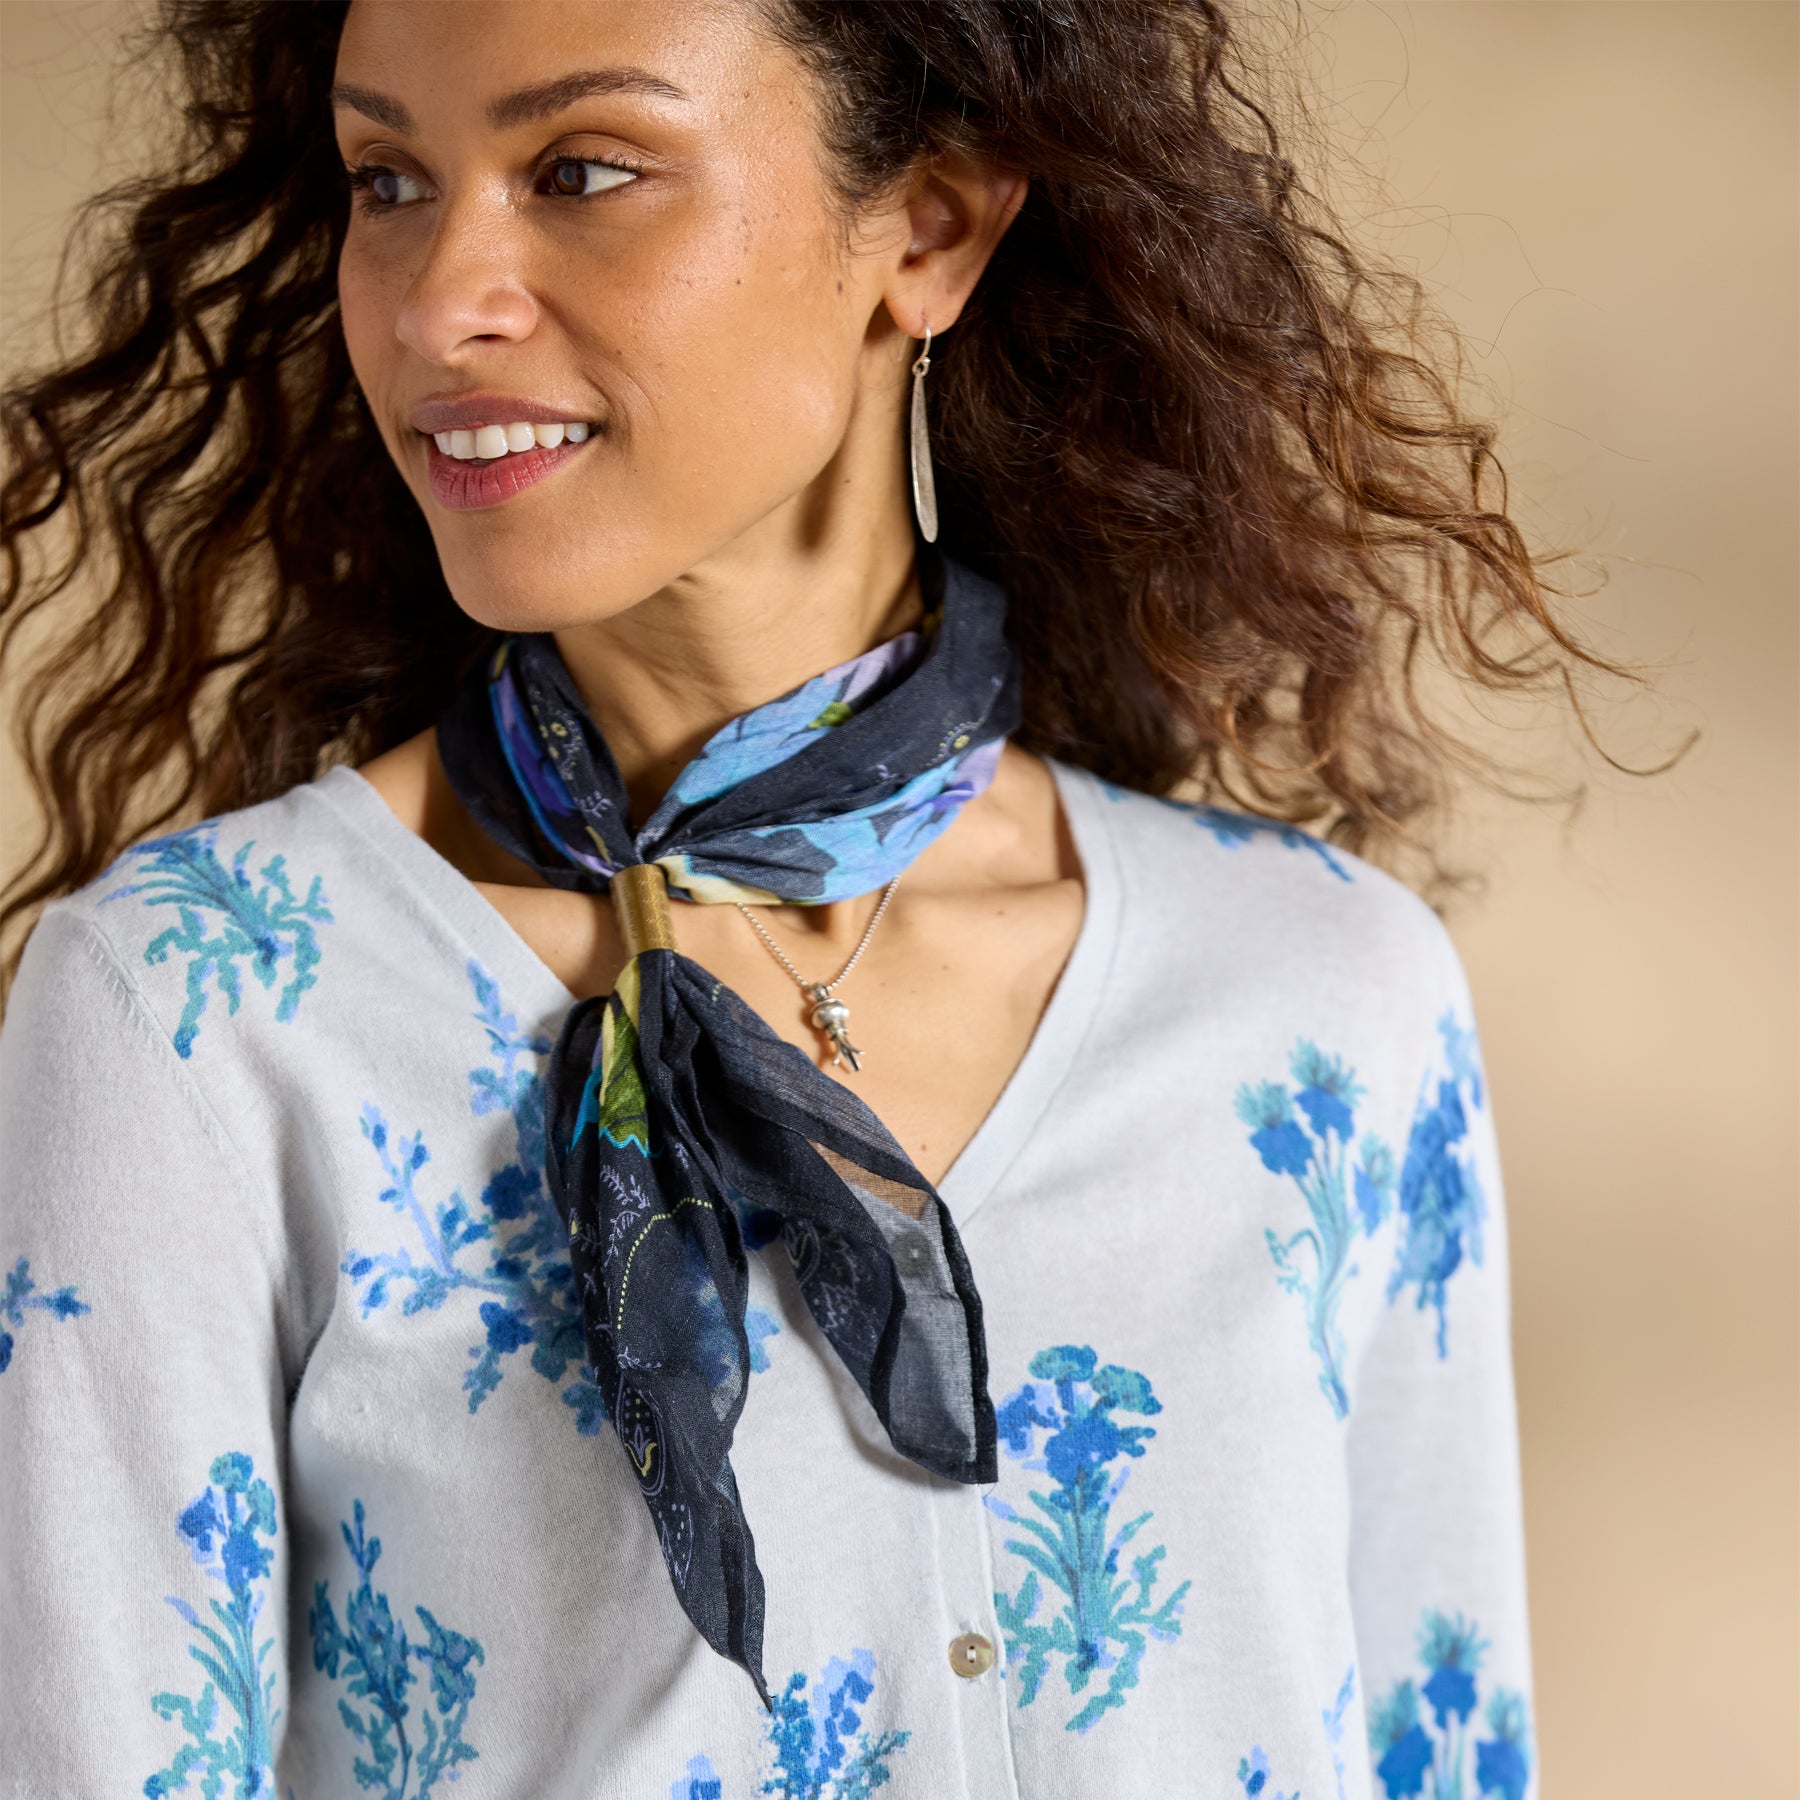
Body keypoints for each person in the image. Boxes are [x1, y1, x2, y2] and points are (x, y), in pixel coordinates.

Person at [0, 3, 1590, 1794]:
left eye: (581, 171)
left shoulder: (1320, 992)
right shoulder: (199, 1012)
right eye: (388, 181)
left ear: (929, 230)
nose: (440, 307)